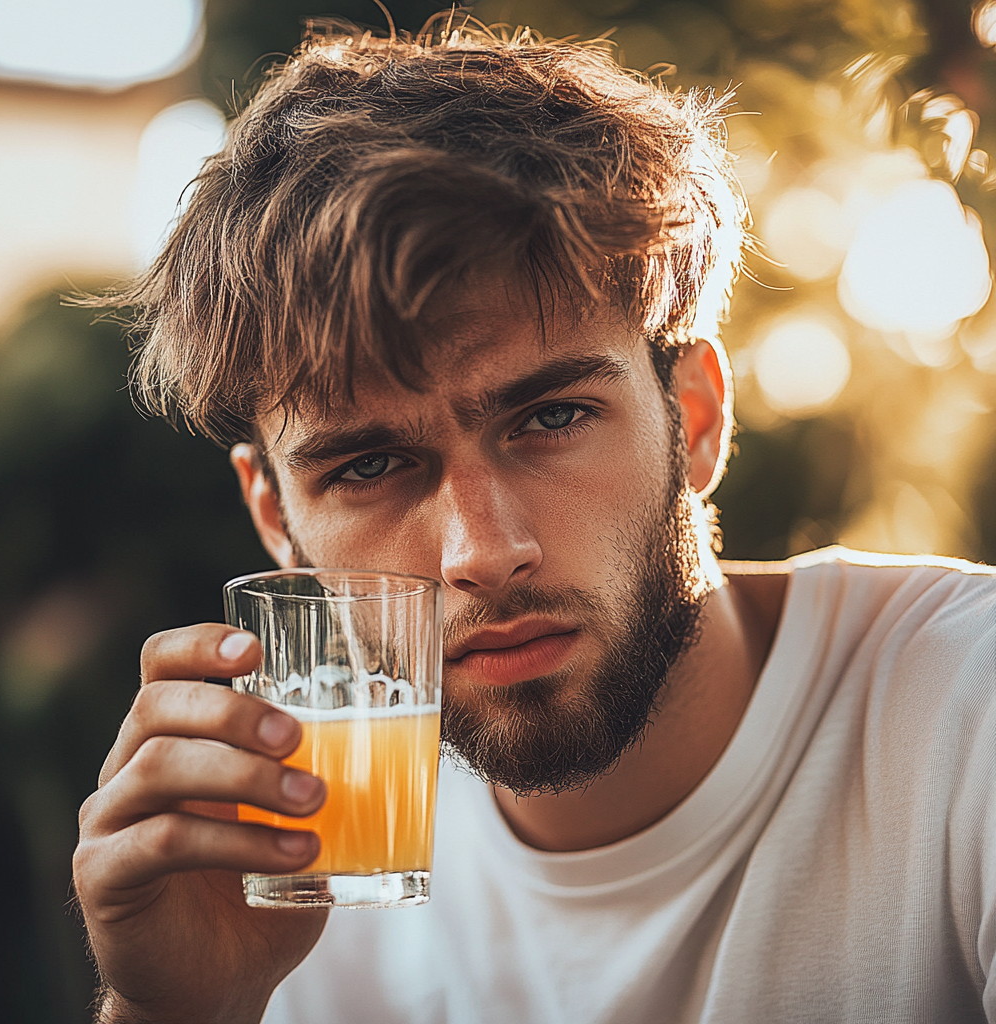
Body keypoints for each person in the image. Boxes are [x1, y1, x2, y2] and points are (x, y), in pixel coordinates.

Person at [72, 20, 996, 1024]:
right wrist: (174, 1011)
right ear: (277, 517)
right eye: (370, 465)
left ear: (692, 416)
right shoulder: (300, 869)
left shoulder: (965, 716)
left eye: (549, 417)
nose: (483, 551)